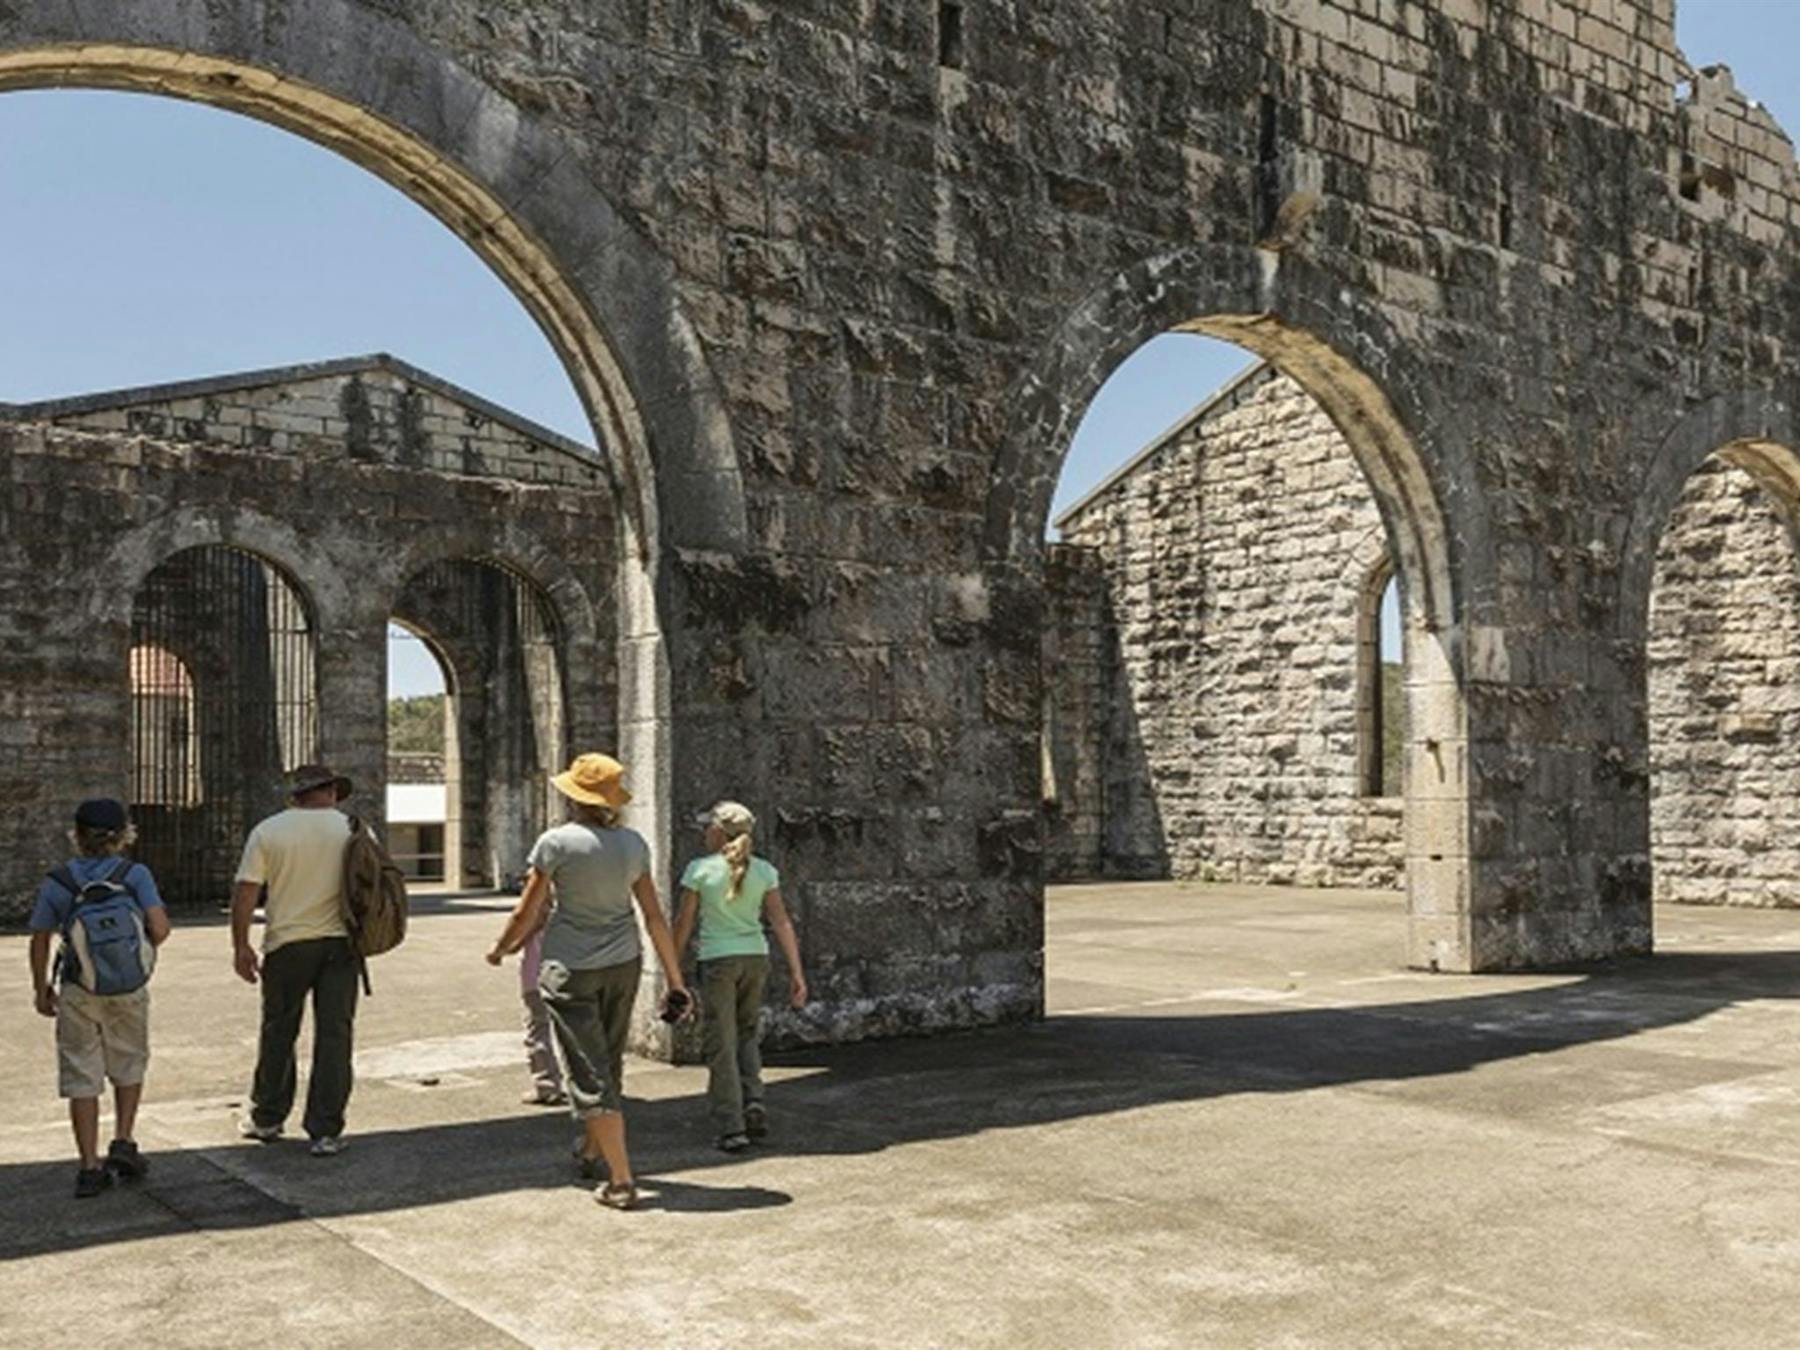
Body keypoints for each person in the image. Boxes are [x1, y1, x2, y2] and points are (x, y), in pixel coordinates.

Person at [486, 753, 690, 1211]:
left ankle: (620, 1180)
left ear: (573, 796)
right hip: (624, 962)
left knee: (587, 1070)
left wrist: (501, 948)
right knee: (607, 1058)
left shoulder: (555, 844)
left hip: (570, 968)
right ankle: (592, 1149)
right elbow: (654, 915)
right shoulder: (634, 844)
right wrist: (676, 979)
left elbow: (527, 910)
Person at [27, 798, 171, 1198]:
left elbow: (40, 939)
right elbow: (160, 927)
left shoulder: (60, 881)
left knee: (81, 1074)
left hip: (79, 988)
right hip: (128, 988)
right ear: (124, 835)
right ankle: (123, 1140)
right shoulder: (134, 874)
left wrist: (41, 987)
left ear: (77, 835)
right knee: (129, 1060)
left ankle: (89, 1166)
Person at [231, 763, 358, 1157]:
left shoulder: (269, 831)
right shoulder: (353, 828)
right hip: (341, 943)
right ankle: (325, 1130)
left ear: (295, 795)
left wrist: (241, 945)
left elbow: (246, 892)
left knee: (279, 1030)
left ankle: (267, 1116)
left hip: (287, 943)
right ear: (332, 791)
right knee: (335, 1035)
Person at [672, 801, 807, 1153]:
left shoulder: (699, 870)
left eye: (709, 827)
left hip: (718, 960)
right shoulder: (764, 871)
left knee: (721, 1042)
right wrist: (796, 972)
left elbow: (684, 923)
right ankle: (753, 1100)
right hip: (755, 957)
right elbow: (781, 921)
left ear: (718, 832)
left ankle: (730, 1124)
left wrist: (672, 969)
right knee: (747, 1034)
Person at [518, 926, 567, 1106]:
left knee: (538, 1029)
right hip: (571, 973)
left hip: (537, 975)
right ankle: (588, 1085)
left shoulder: (537, 901)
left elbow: (521, 924)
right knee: (577, 1030)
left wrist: (500, 949)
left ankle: (546, 1085)